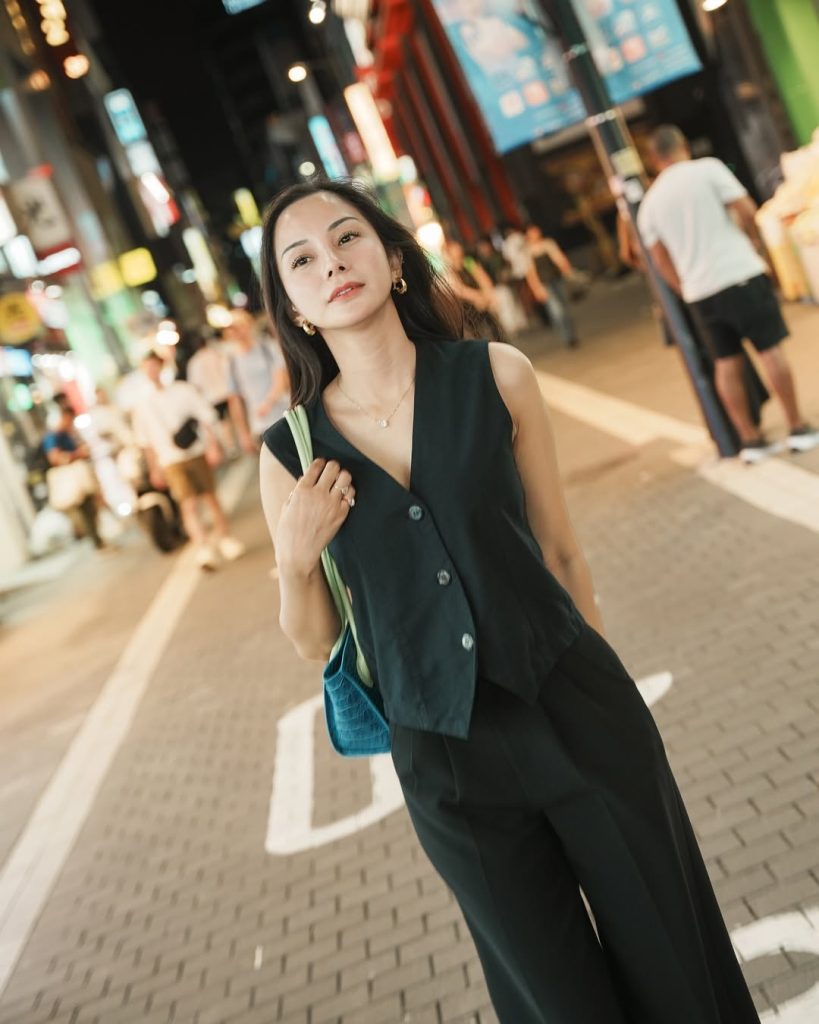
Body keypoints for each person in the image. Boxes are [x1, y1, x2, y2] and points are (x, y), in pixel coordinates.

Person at [258, 178, 760, 1024]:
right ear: (294, 307)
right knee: (555, 1000)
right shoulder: (289, 453)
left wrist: (607, 706)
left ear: (392, 258)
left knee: (675, 957)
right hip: (446, 761)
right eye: (301, 260)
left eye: (347, 239)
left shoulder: (495, 373)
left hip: (573, 704)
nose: (331, 264)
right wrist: (296, 558)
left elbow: (561, 551)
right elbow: (315, 644)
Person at [638, 125, 819, 463]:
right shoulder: (707, 169)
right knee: (769, 351)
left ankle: (750, 441)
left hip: (700, 292)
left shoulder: (650, 202)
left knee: (726, 363)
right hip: (740, 274)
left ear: (654, 159)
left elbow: (657, 259)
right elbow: (747, 210)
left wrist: (683, 286)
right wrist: (754, 244)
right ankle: (797, 426)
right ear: (683, 146)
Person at [132, 351, 245, 570]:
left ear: (161, 366)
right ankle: (203, 547)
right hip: (169, 460)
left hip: (195, 452)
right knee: (188, 504)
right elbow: (145, 442)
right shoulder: (143, 405)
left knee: (210, 497)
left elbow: (206, 417)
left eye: (153, 366)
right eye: (146, 367)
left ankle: (226, 538)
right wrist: (154, 468)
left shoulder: (182, 390)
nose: (151, 371)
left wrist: (213, 446)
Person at [225, 310, 290, 454]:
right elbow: (235, 400)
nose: (235, 332)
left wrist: (268, 403)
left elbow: (281, 379)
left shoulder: (267, 348)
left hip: (284, 415)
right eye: (231, 329)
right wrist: (243, 433)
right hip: (260, 426)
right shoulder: (232, 362)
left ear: (248, 325)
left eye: (238, 326)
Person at [42, 400, 105, 550]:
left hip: (80, 478)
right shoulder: (53, 437)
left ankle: (99, 541)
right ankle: (98, 543)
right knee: (84, 512)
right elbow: (55, 458)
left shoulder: (68, 434)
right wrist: (77, 454)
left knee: (91, 509)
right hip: (71, 480)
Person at [524, 224, 579, 348]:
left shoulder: (548, 243)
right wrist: (536, 288)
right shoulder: (528, 251)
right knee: (557, 310)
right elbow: (531, 273)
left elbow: (558, 257)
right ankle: (567, 337)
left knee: (564, 308)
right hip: (544, 284)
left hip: (557, 279)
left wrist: (567, 269)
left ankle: (570, 334)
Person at [186, 330, 237, 456]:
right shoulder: (215, 354)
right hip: (226, 390)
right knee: (234, 416)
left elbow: (195, 385)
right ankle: (238, 440)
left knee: (222, 422)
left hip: (212, 397)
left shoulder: (194, 363)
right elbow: (227, 369)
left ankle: (231, 446)